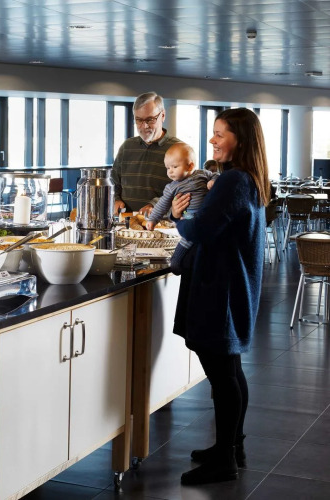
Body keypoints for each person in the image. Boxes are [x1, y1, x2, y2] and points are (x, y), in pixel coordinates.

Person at [171, 108, 270, 486]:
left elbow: (199, 229)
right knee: (230, 371)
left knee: (222, 376)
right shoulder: (250, 179)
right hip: (235, 286)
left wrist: (179, 216)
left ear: (240, 141)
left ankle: (224, 460)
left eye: (220, 134)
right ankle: (230, 445)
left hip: (220, 291)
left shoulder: (233, 181)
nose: (212, 140)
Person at [145, 143, 218, 274]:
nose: (170, 171)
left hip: (208, 219)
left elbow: (215, 174)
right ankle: (176, 266)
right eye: (168, 168)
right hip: (189, 220)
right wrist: (152, 219)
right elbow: (162, 204)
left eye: (174, 167)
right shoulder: (171, 187)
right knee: (184, 245)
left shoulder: (202, 174)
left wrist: (213, 181)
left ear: (190, 166)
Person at [111, 92, 182, 217]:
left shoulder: (179, 149)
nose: (144, 126)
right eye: (139, 120)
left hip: (161, 224)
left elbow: (182, 191)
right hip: (126, 222)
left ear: (163, 115)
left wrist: (155, 205)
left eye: (150, 119)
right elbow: (113, 181)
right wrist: (115, 199)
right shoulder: (127, 146)